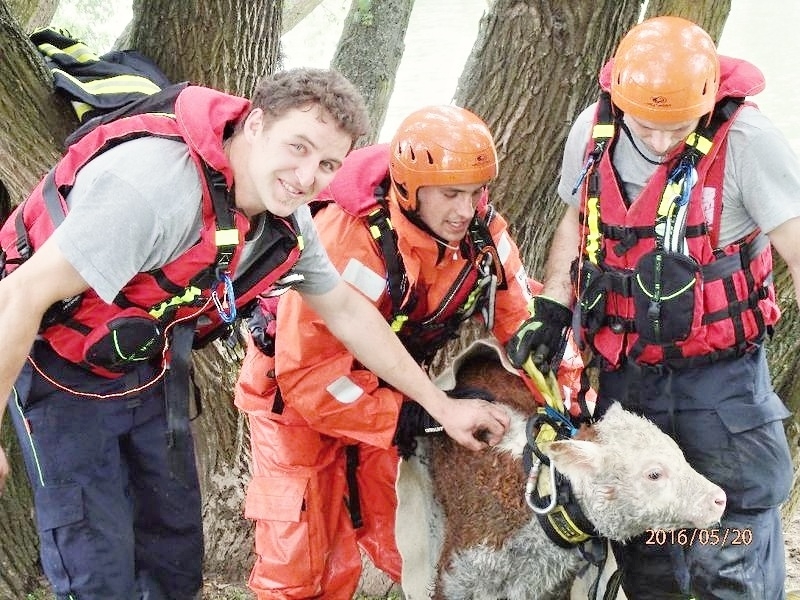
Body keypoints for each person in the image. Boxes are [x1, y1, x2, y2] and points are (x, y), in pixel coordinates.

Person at [0, 70, 510, 600]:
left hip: (145, 364)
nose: (307, 176)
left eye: (328, 164)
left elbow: (347, 311)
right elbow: (17, 297)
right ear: (257, 123)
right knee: (98, 573)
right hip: (56, 369)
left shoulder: (284, 221)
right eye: (298, 146)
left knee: (172, 562)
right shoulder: (154, 192)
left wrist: (441, 408)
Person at [234, 105, 587, 600]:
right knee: (304, 562)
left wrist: (566, 401)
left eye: (475, 192)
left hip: (391, 388)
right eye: (450, 194)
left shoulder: (483, 237)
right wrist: (417, 415)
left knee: (404, 536)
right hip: (296, 399)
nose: (466, 210)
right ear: (409, 189)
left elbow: (518, 321)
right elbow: (309, 371)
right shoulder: (351, 237)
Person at [506, 15, 800, 600]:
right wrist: (553, 307)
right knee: (646, 548)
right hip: (627, 380)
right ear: (621, 98)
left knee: (731, 541)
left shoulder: (748, 143)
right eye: (648, 124)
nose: (663, 142)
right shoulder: (592, 132)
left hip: (722, 385)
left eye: (677, 126)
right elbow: (576, 216)